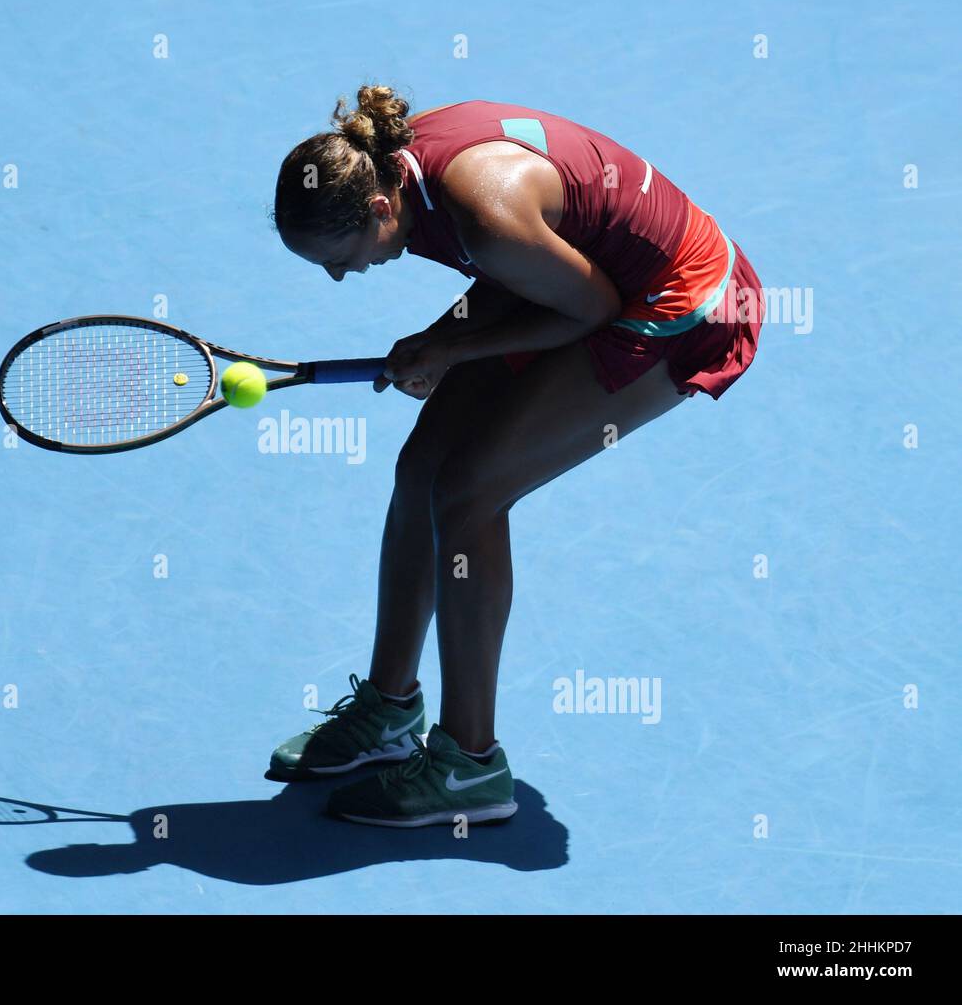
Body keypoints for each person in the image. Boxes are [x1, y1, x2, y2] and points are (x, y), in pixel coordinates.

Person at [268, 86, 763, 828]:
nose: (341, 276)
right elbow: (518, 275)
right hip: (578, 272)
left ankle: (470, 766)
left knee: (469, 492)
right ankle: (390, 709)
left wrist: (447, 347)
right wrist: (440, 341)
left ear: (377, 209)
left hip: (678, 300)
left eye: (341, 260)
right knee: (422, 469)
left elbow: (587, 309)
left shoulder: (485, 213)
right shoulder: (401, 167)